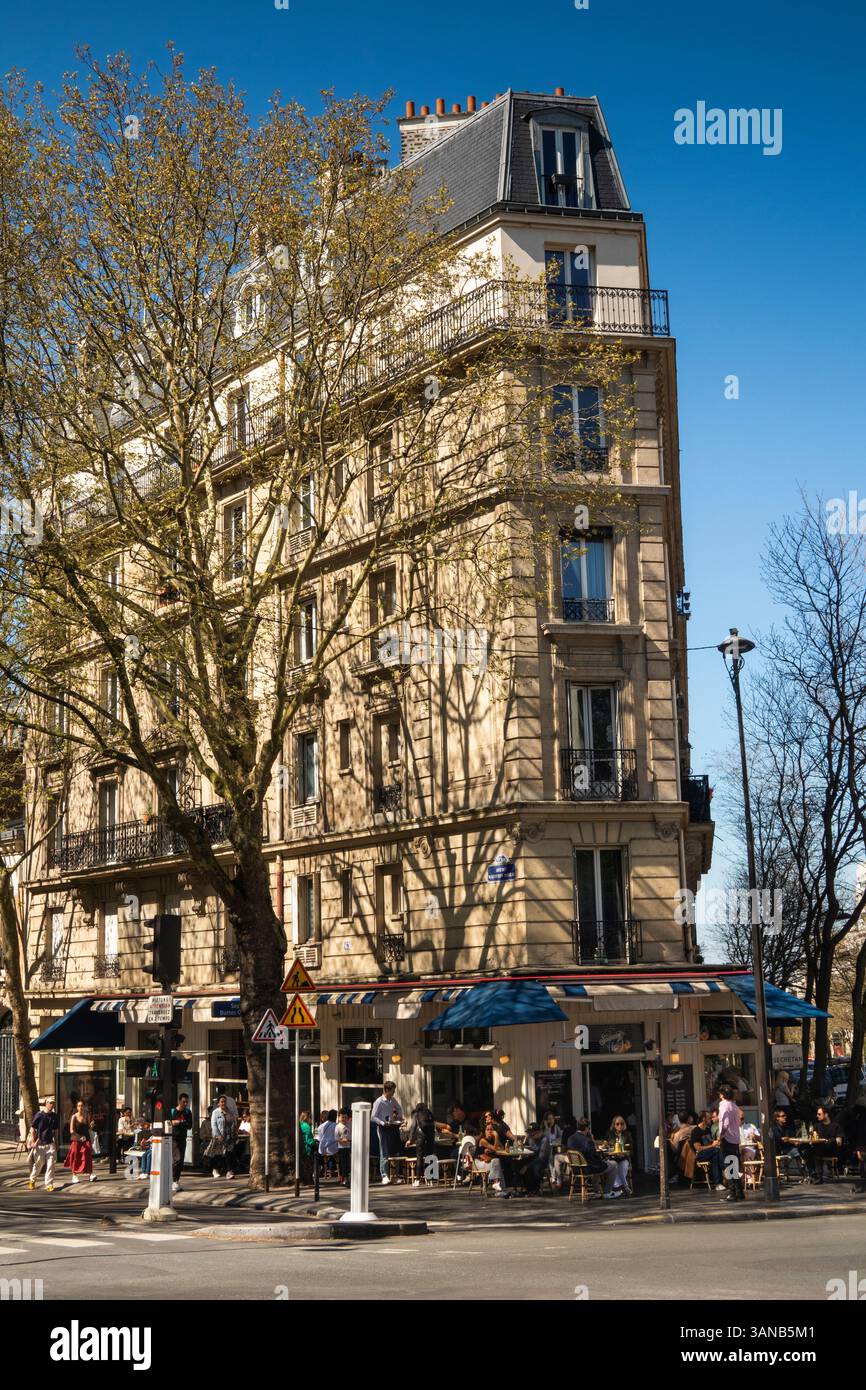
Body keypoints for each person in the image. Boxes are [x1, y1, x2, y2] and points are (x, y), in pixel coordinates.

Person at [371, 1082, 403, 1184]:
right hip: (382, 1128)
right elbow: (373, 1117)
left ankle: (395, 1175)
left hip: (392, 1127)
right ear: (387, 1090)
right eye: (393, 1091)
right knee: (384, 1151)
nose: (394, 1093)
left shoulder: (392, 1100)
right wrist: (382, 1122)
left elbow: (399, 1108)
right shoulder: (379, 1102)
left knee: (395, 1151)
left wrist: (398, 1117)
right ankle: (384, 1175)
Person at [804, 1104, 843, 1184]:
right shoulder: (816, 1126)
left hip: (831, 1150)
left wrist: (832, 1140)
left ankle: (818, 1176)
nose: (817, 1116)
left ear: (826, 1114)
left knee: (818, 1149)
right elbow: (812, 1138)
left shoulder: (835, 1126)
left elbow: (839, 1142)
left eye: (819, 1114)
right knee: (805, 1149)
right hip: (819, 1148)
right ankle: (813, 1174)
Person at [27, 1097, 59, 1192]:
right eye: (50, 1103)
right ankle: (32, 1180)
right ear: (46, 1104)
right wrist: (33, 1141)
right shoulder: (39, 1115)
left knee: (51, 1164)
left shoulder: (54, 1116)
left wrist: (56, 1143)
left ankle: (49, 1184)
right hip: (40, 1144)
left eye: (53, 1103)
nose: (52, 1105)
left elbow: (56, 1130)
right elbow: (33, 1128)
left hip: (50, 1144)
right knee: (39, 1164)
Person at [475, 1116, 513, 1195]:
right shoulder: (483, 1140)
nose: (489, 1131)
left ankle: (500, 1189)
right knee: (496, 1161)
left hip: (490, 1163)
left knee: (497, 1162)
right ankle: (498, 1188)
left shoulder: (493, 1139)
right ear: (485, 1131)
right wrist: (496, 1136)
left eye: (491, 1129)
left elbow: (502, 1148)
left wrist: (496, 1139)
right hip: (480, 1163)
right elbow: (496, 1149)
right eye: (487, 1130)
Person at [718, 1084, 744, 1202]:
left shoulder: (724, 1105)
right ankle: (739, 1192)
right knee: (734, 1165)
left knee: (729, 1166)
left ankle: (732, 1193)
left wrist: (721, 1135)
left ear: (722, 1095)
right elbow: (738, 1121)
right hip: (735, 1138)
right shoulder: (734, 1106)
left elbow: (725, 1123)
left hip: (727, 1138)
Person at [689, 1111, 724, 1189]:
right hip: (701, 1154)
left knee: (715, 1156)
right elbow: (698, 1148)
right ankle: (726, 1169)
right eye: (709, 1118)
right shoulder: (696, 1131)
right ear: (704, 1119)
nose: (711, 1119)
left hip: (711, 1152)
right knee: (716, 1151)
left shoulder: (708, 1129)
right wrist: (712, 1145)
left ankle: (718, 1184)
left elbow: (711, 1142)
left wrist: (716, 1142)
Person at [205, 1095, 238, 1178]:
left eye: (224, 1101)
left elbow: (233, 1122)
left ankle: (229, 1171)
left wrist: (234, 1132)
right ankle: (215, 1169)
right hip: (219, 1136)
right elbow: (214, 1125)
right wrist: (218, 1135)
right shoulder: (215, 1112)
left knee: (228, 1153)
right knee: (218, 1154)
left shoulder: (229, 1111)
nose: (223, 1103)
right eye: (221, 1102)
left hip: (228, 1136)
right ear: (218, 1103)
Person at [64, 1099, 95, 1183]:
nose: (80, 1107)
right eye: (79, 1106)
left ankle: (91, 1174)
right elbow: (71, 1130)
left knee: (88, 1155)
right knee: (75, 1157)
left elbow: (88, 1127)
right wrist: (79, 1137)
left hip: (86, 1139)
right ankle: (74, 1175)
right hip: (76, 1139)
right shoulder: (74, 1116)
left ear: (84, 1107)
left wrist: (91, 1125)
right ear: (77, 1107)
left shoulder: (86, 1115)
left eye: (82, 1106)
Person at [517, 1121, 551, 1195]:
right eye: (529, 1133)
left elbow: (541, 1158)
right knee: (518, 1163)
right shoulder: (530, 1138)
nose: (530, 1136)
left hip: (541, 1161)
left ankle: (536, 1188)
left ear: (539, 1132)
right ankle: (527, 1187)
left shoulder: (544, 1140)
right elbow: (526, 1149)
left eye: (532, 1134)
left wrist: (527, 1166)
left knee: (534, 1167)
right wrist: (521, 1146)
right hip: (532, 1158)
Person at [407, 1102, 437, 1186]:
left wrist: (410, 1140)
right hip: (430, 1136)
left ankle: (417, 1180)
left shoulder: (417, 1114)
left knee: (419, 1157)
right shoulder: (429, 1113)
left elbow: (413, 1127)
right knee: (430, 1156)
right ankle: (430, 1179)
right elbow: (433, 1125)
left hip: (421, 1136)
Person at [603, 1115, 633, 1195]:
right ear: (614, 1125)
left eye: (622, 1124)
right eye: (617, 1124)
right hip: (613, 1158)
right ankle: (625, 1186)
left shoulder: (627, 1134)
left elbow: (631, 1147)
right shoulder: (609, 1134)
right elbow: (605, 1145)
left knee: (623, 1167)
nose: (620, 1126)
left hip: (623, 1157)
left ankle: (618, 1188)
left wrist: (626, 1150)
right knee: (615, 1166)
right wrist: (606, 1145)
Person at [170, 1094, 192, 1192]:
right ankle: (173, 1180)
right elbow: (168, 1123)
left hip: (183, 1138)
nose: (185, 1104)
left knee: (181, 1160)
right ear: (179, 1101)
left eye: (187, 1102)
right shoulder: (173, 1111)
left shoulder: (188, 1112)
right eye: (183, 1102)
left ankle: (176, 1180)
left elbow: (189, 1125)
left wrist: (179, 1123)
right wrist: (173, 1123)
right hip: (173, 1138)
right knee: (177, 1159)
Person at [317, 1109, 339, 1177]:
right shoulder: (336, 1125)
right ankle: (335, 1170)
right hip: (334, 1148)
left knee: (327, 1156)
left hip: (323, 1149)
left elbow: (319, 1138)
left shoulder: (321, 1126)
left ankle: (325, 1170)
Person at [335, 1109, 352, 1185]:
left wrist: (349, 1140)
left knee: (348, 1162)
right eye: (342, 1117)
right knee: (343, 1163)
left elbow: (352, 1135)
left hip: (348, 1147)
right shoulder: (338, 1126)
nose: (344, 1119)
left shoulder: (350, 1125)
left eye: (345, 1117)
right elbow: (336, 1137)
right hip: (341, 1147)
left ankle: (347, 1177)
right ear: (339, 1118)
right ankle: (343, 1178)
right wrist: (341, 1140)